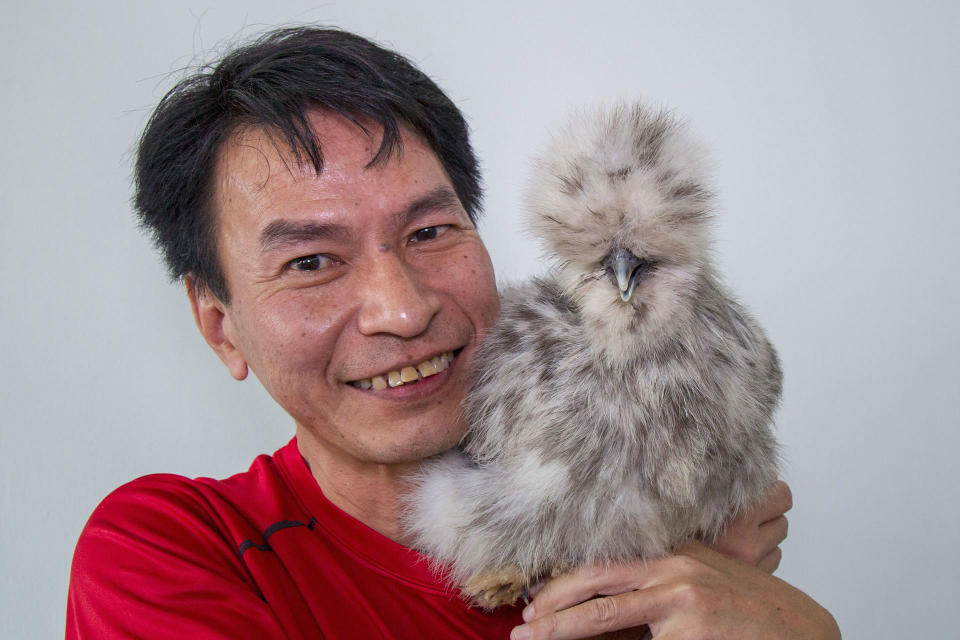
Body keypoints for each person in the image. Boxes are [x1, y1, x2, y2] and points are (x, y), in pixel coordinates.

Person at [66, 26, 840, 639]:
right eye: (310, 262)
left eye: (431, 232)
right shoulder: (173, 552)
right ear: (220, 326)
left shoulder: (674, 488)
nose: (401, 311)